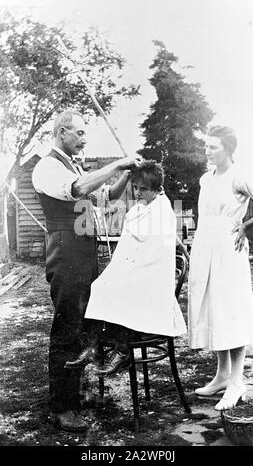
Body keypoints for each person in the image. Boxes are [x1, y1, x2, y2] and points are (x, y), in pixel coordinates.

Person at [32, 109, 141, 431]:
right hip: (65, 251)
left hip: (84, 250)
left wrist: (127, 174)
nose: (84, 139)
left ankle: (75, 395)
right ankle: (62, 408)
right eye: (79, 133)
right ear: (62, 131)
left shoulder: (73, 166)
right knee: (67, 328)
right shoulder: (48, 167)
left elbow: (107, 195)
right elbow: (78, 190)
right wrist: (117, 164)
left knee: (84, 323)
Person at [66, 160, 187, 376]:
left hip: (154, 278)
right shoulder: (139, 210)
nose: (138, 192)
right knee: (100, 285)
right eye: (136, 187)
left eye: (144, 189)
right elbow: (129, 248)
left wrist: (130, 271)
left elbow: (155, 250)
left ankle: (122, 350)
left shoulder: (162, 211)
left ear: (158, 190)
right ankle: (94, 345)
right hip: (138, 271)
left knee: (123, 289)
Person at [188, 125, 253, 411]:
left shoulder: (240, 176)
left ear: (228, 149)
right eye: (206, 145)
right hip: (205, 247)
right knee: (214, 309)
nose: (207, 150)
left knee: (231, 312)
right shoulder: (206, 179)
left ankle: (237, 381)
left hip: (229, 250)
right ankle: (222, 375)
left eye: (213, 146)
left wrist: (246, 226)